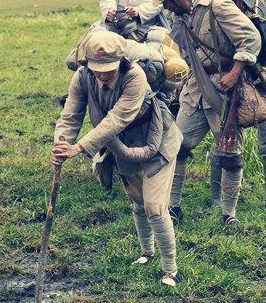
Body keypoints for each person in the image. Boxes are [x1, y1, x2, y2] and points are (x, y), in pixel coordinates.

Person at [52, 30, 183, 286]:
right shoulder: (82, 78)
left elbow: (117, 119)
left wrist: (79, 147)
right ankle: (147, 253)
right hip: (120, 145)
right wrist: (61, 142)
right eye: (98, 68)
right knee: (137, 202)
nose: (103, 74)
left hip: (156, 141)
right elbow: (70, 114)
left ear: (122, 61)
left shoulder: (135, 76)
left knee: (156, 208)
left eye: (109, 69)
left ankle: (170, 270)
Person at [150, 0, 261, 226]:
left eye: (166, 1)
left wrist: (235, 72)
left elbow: (250, 39)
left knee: (229, 153)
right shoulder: (181, 17)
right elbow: (187, 53)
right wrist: (186, 79)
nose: (165, 7)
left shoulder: (218, 7)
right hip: (194, 92)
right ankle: (172, 208)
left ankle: (228, 214)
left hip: (224, 90)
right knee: (176, 147)